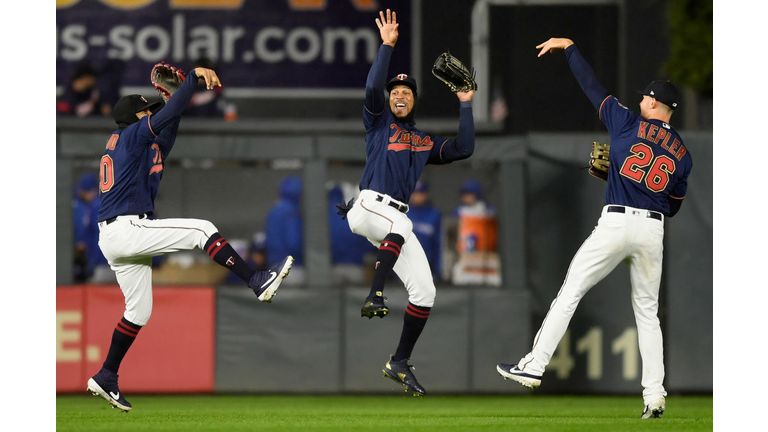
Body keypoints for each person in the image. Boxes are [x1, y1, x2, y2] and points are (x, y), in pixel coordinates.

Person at [496, 37, 692, 420]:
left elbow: (592, 87)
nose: (639, 102)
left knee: (571, 291)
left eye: (644, 99)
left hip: (616, 221)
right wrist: (626, 180)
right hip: (653, 229)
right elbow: (672, 206)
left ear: (654, 102)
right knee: (648, 314)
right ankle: (654, 396)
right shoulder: (683, 154)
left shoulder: (626, 122)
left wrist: (570, 48)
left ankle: (534, 366)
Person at [86, 66, 294, 412]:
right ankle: (257, 281)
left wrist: (176, 99)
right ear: (132, 118)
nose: (152, 114)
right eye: (146, 111)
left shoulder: (141, 144)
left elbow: (169, 123)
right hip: (126, 228)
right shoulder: (131, 136)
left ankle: (107, 374)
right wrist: (192, 80)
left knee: (138, 311)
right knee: (202, 229)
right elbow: (169, 113)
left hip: (116, 235)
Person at [339, 9, 475, 396]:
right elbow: (371, 91)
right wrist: (386, 47)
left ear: (414, 101)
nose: (399, 94)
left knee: (425, 292)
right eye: (395, 91)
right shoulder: (379, 124)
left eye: (406, 92)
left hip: (392, 220)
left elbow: (464, 148)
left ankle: (398, 361)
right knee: (403, 225)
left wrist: (465, 103)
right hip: (368, 206)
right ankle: (375, 292)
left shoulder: (425, 141)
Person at [450, 180, 500, 286]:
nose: (466, 197)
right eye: (464, 194)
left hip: (486, 256)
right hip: (466, 256)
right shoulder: (460, 211)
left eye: (469, 194)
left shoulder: (489, 212)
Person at [265, 175, 304, 285]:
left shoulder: (273, 211)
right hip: (292, 268)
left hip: (273, 266)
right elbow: (294, 242)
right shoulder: (291, 212)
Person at [73, 173, 110, 283]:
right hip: (107, 260)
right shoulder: (95, 205)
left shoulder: (97, 206)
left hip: (103, 262)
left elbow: (99, 237)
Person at [406, 181, 442, 281]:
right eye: (415, 193)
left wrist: (438, 268)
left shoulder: (434, 214)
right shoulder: (404, 212)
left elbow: (438, 243)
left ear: (426, 195)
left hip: (427, 265)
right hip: (404, 265)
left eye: (420, 193)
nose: (417, 196)